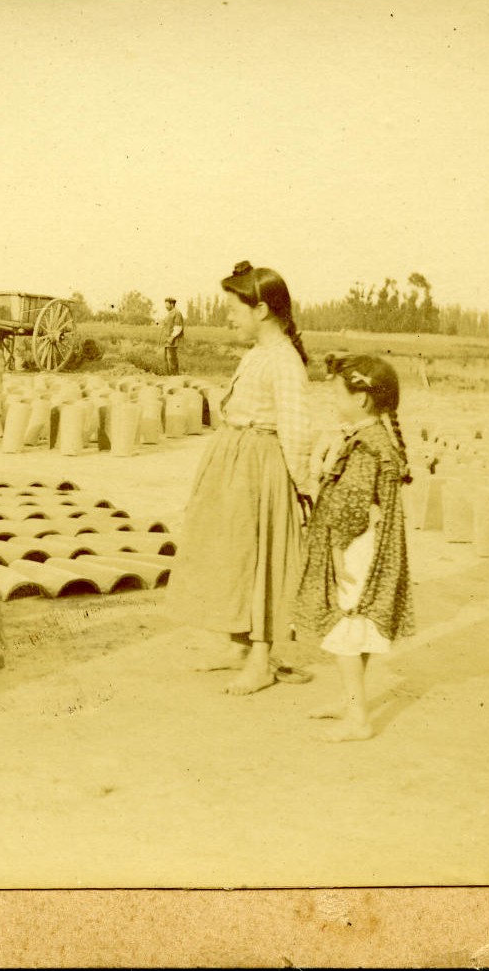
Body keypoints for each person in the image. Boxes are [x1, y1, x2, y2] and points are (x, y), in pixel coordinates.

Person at [166, 261, 314, 694]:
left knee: (261, 560)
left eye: (234, 308)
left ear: (262, 310)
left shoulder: (284, 361)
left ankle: (263, 658)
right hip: (235, 463)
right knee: (231, 553)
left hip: (260, 470)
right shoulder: (257, 354)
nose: (229, 316)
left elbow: (297, 428)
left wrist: (300, 484)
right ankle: (237, 645)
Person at [294, 353, 415, 741]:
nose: (333, 402)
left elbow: (353, 506)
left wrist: (335, 549)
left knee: (345, 628)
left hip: (356, 549)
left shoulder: (366, 447)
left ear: (361, 399)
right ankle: (351, 701)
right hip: (368, 545)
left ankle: (359, 719)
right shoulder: (374, 437)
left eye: (337, 395)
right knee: (355, 629)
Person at [161, 297, 184, 375]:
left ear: (172, 304)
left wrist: (171, 338)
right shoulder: (170, 313)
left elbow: (178, 327)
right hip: (167, 341)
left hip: (173, 341)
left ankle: (174, 376)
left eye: (167, 305)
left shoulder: (177, 313)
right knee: (167, 359)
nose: (165, 306)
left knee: (172, 359)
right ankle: (169, 376)